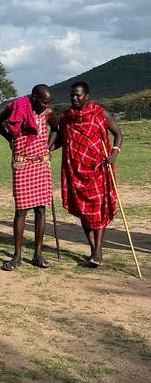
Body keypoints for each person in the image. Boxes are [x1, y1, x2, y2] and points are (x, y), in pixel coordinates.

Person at [58, 81, 122, 267]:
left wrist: (114, 153)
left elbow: (118, 134)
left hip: (99, 169)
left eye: (78, 95)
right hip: (75, 171)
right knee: (84, 212)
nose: (74, 98)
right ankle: (93, 250)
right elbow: (61, 139)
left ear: (87, 96)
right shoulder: (67, 117)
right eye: (72, 96)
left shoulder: (100, 114)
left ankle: (98, 253)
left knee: (98, 211)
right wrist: (45, 151)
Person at [0, 84, 57, 271]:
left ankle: (38, 254)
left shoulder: (48, 113)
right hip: (22, 164)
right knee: (21, 210)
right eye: (43, 102)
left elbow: (56, 129)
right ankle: (17, 256)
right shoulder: (16, 107)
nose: (45, 106)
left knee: (40, 210)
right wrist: (9, 139)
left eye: (48, 103)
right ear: (34, 97)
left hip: (41, 164)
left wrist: (48, 147)